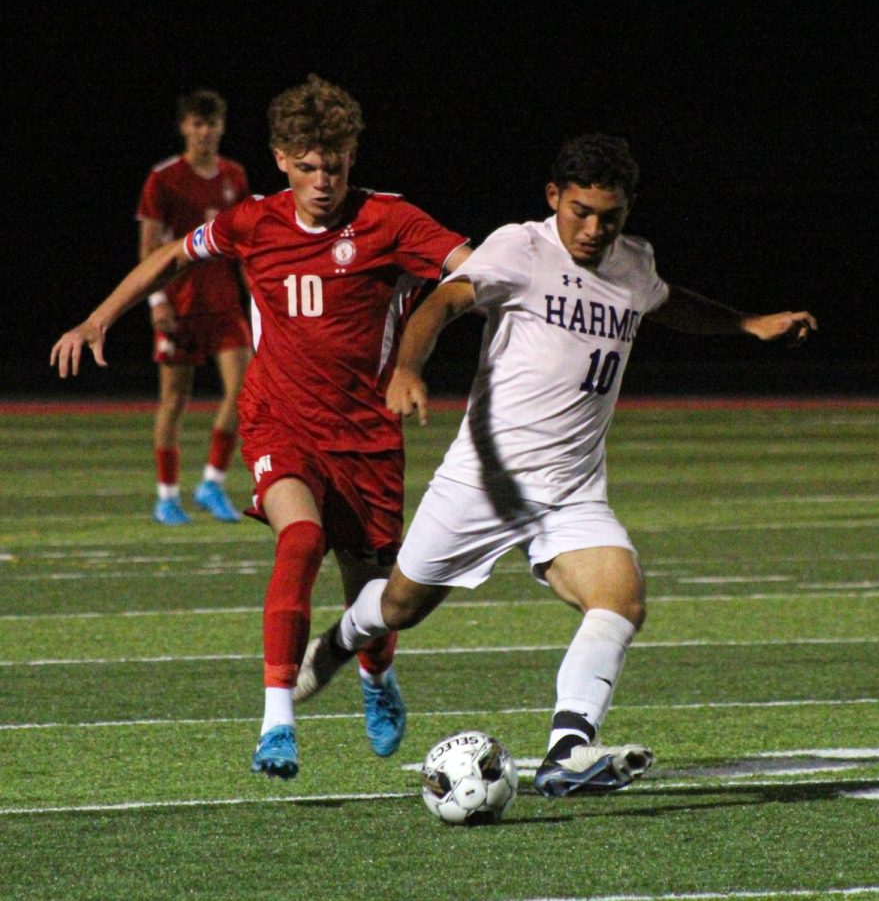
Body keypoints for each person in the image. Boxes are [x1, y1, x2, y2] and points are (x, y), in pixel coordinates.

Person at [295, 133, 816, 796]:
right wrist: (405, 368)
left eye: (610, 216)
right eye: (580, 212)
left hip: (571, 488)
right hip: (487, 479)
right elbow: (442, 301)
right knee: (400, 605)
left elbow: (664, 299)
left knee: (620, 597)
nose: (594, 229)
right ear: (553, 198)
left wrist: (747, 324)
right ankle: (343, 637)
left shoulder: (634, 261)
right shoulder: (519, 246)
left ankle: (569, 747)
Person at [52, 75, 471, 780]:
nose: (322, 180)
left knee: (373, 596)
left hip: (366, 434)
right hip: (280, 418)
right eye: (307, 165)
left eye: (334, 164)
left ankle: (374, 678)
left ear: (351, 157)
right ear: (281, 157)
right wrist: (101, 315)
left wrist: (420, 353)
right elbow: (173, 253)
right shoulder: (254, 220)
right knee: (301, 536)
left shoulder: (392, 221)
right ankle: (277, 719)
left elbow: (477, 272)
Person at [138, 89, 251, 525]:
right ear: (184, 127)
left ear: (222, 127)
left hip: (223, 302)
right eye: (196, 124)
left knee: (245, 393)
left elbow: (244, 244)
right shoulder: (163, 178)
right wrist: (157, 300)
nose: (204, 132)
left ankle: (212, 484)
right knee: (174, 400)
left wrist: (259, 300)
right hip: (180, 304)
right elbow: (149, 245)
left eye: (212, 123)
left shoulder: (235, 176)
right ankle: (166, 495)